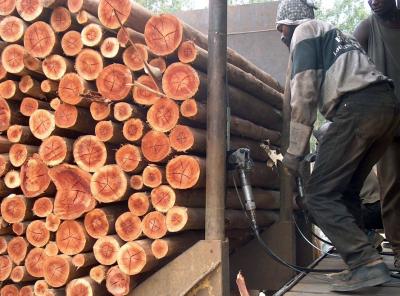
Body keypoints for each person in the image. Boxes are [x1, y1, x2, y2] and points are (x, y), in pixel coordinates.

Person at [276, 0, 400, 291]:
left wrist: (294, 154)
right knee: (345, 192)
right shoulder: (335, 34)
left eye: (280, 28)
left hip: (357, 107)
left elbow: (304, 94)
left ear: (289, 22)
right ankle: (361, 264)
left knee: (319, 193)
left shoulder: (304, 31)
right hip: (386, 107)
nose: (280, 36)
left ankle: (364, 262)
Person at [354, 0, 400, 269]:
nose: (373, 2)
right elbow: (347, 64)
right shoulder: (366, 30)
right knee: (392, 188)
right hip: (387, 123)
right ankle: (399, 250)